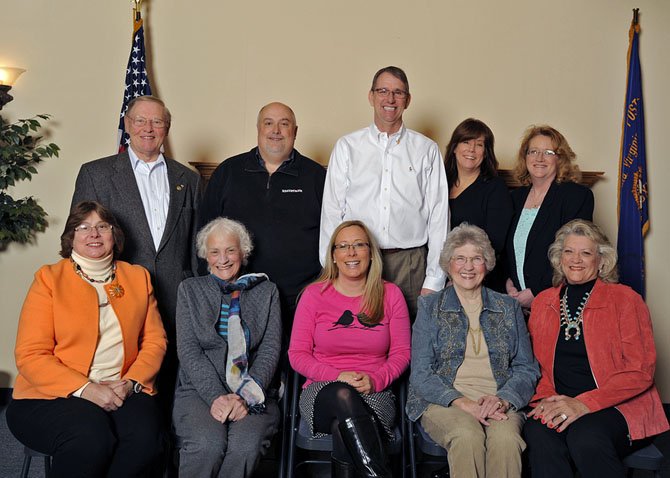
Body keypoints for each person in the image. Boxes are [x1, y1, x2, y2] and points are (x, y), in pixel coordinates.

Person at [6, 201, 167, 478]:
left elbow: (155, 341)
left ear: (114, 235)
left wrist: (130, 383)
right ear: (71, 238)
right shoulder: (49, 279)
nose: (93, 234)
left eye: (102, 227)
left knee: (147, 440)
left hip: (121, 387)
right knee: (90, 438)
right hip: (52, 394)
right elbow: (31, 354)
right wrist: (86, 389)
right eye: (83, 227)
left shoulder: (137, 277)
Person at [71, 95, 201, 416]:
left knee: (169, 389)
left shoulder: (190, 180)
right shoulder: (96, 174)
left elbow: (198, 247)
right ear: (127, 125)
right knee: (124, 396)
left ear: (166, 129)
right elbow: (82, 241)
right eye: (140, 120)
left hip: (175, 299)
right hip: (117, 300)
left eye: (157, 122)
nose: (148, 128)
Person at [524, 219, 669, 477]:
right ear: (559, 259)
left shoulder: (625, 299)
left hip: (617, 406)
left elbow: (640, 370)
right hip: (558, 400)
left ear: (601, 261)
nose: (575, 259)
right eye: (568, 251)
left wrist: (584, 404)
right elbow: (536, 366)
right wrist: (548, 401)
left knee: (585, 436)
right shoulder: (543, 302)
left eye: (586, 253)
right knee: (538, 432)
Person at [407, 224, 539, 478]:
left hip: (499, 399)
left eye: (476, 259)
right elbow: (421, 373)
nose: (468, 267)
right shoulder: (430, 307)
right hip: (445, 401)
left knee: (506, 441)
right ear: (448, 264)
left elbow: (526, 367)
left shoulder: (508, 307)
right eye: (460, 259)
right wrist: (463, 403)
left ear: (487, 264)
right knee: (467, 436)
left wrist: (503, 399)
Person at [319, 66, 449, 318]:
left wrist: (433, 280)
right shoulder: (348, 147)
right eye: (383, 91)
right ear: (371, 96)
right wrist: (331, 269)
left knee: (411, 342)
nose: (390, 99)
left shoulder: (427, 150)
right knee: (359, 339)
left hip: (410, 264)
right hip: (357, 260)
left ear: (407, 100)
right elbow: (332, 212)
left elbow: (438, 216)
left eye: (398, 93)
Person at [289, 220, 411, 477]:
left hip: (374, 392)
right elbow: (297, 355)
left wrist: (376, 380)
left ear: (370, 252)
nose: (351, 253)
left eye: (358, 245)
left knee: (341, 429)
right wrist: (337, 377)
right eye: (343, 246)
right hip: (322, 391)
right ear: (333, 256)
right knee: (343, 395)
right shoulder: (314, 295)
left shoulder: (391, 294)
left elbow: (402, 354)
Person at [198, 102, 325, 331]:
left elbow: (332, 238)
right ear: (258, 129)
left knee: (292, 364)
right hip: (237, 297)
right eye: (269, 123)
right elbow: (203, 235)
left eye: (284, 124)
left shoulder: (316, 177)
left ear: (295, 132)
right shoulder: (228, 172)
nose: (275, 130)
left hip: (299, 301)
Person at [173, 217, 281, 477]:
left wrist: (244, 394)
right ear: (205, 256)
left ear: (243, 253)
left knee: (245, 446)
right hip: (198, 391)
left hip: (254, 391)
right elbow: (189, 350)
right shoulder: (190, 290)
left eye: (230, 250)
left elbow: (270, 349)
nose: (223, 258)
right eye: (214, 252)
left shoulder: (267, 291)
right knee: (206, 445)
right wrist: (216, 396)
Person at [505, 125, 594, 310]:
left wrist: (536, 291)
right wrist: (508, 282)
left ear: (559, 158)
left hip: (556, 301)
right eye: (533, 152)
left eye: (548, 152)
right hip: (515, 301)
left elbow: (572, 253)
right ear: (525, 157)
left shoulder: (575, 196)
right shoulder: (514, 198)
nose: (539, 158)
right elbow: (504, 249)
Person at [444, 118, 513, 292]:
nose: (471, 150)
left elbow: (495, 242)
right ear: (454, 147)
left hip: (478, 278)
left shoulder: (495, 188)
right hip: (440, 274)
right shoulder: (440, 182)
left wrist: (463, 273)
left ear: (486, 152)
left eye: (479, 145)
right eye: (466, 142)